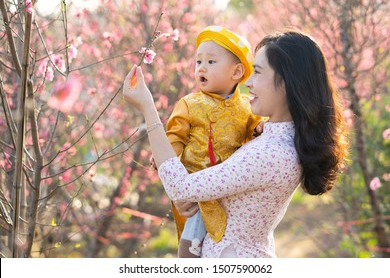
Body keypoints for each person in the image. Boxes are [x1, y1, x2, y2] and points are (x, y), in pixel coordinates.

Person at [123, 29, 349, 258]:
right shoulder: (272, 139)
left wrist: (147, 108)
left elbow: (181, 186)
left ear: (287, 82)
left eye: (258, 73)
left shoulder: (270, 154)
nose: (247, 83)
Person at [151, 26, 262, 257]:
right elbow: (175, 137)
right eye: (198, 62)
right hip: (196, 183)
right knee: (193, 235)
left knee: (225, 238)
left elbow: (254, 131)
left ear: (237, 72)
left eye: (211, 62)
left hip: (230, 185)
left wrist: (259, 128)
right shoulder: (190, 104)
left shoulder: (246, 107)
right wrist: (165, 157)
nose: (201, 67)